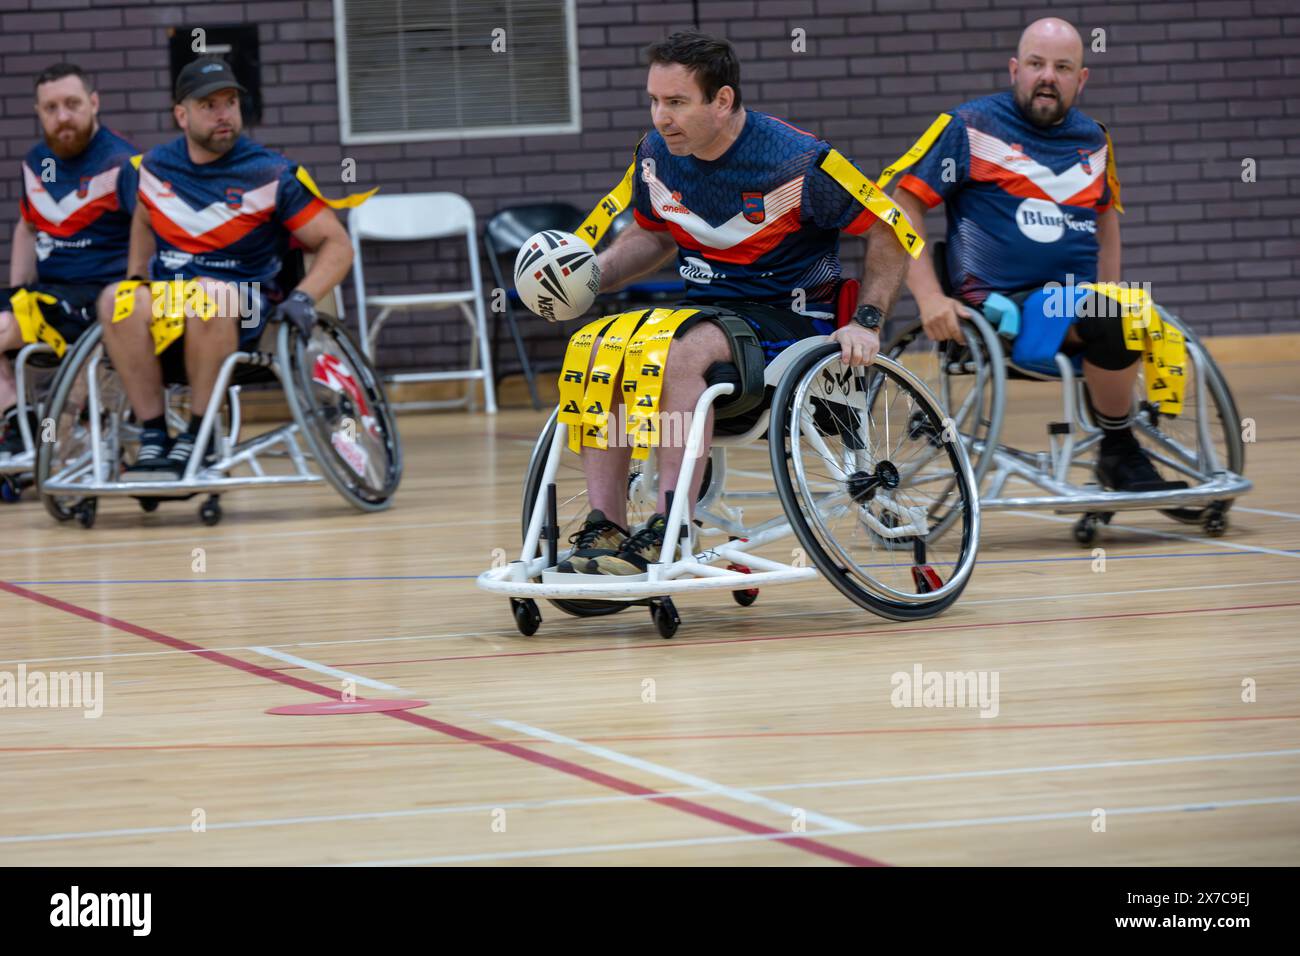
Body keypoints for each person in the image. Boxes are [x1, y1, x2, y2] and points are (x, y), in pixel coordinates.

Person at [562, 31, 911, 575]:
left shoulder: (800, 160)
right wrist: (588, 279)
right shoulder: (657, 155)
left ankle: (670, 524)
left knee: (680, 350)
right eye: (654, 101)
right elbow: (651, 238)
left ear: (721, 101)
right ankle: (605, 526)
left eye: (676, 102)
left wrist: (867, 321)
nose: (660, 117)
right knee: (598, 345)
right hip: (708, 313)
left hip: (791, 320)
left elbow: (893, 228)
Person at [891, 16, 1171, 492]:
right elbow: (903, 203)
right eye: (1037, 64)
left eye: (1063, 67)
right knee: (1108, 313)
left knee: (1129, 312)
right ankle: (1121, 452)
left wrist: (1112, 290)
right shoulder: (971, 126)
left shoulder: (1093, 140)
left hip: (1075, 303)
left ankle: (1119, 443)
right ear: (1015, 69)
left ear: (1080, 79)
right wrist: (930, 299)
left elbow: (1106, 220)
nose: (1048, 76)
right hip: (1001, 308)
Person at [99, 56, 353, 481]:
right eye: (208, 105)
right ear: (181, 115)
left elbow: (337, 244)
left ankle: (198, 435)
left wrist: (304, 297)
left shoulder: (271, 173)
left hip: (245, 302)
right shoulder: (154, 168)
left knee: (210, 295)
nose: (223, 114)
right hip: (172, 302)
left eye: (230, 102)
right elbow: (145, 215)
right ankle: (154, 436)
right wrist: (137, 276)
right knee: (116, 300)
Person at [1, 63, 136, 458]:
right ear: (38, 111)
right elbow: (26, 228)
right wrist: (18, 292)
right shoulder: (37, 162)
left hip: (100, 299)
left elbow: (152, 231)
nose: (63, 117)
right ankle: (19, 422)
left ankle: (52, 437)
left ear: (94, 103)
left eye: (73, 104)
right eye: (51, 108)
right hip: (49, 296)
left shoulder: (121, 163)